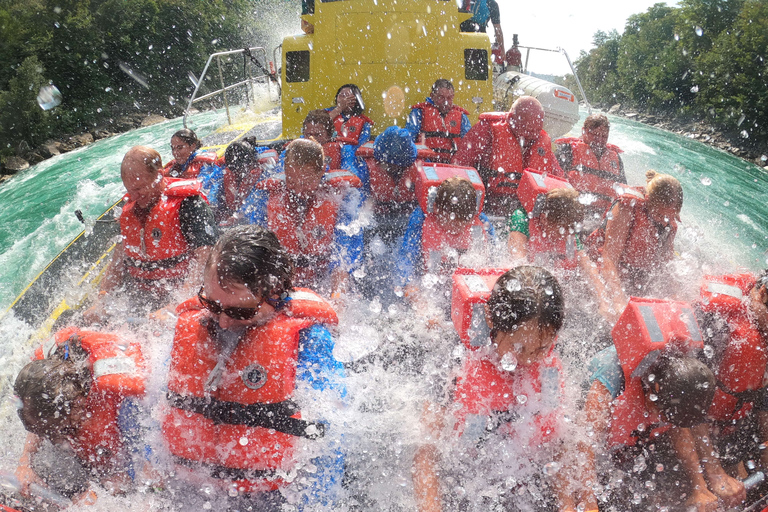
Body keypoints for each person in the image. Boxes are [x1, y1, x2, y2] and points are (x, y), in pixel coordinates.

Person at [162, 225, 346, 510]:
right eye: (212, 304)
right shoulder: (194, 327)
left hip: (274, 494)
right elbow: (155, 409)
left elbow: (330, 441)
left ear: (273, 293)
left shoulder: (307, 342)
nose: (222, 322)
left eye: (239, 311)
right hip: (192, 486)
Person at [413, 266, 585, 511]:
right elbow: (426, 453)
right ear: (492, 320)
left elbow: (556, 447)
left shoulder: (550, 367)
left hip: (524, 477)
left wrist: (567, 505)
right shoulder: (455, 362)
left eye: (540, 349)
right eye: (519, 347)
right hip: (464, 478)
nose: (529, 360)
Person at [581, 297, 745, 511]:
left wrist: (700, 486)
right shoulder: (612, 376)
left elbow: (680, 427)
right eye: (663, 416)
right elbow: (583, 445)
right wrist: (589, 503)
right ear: (654, 390)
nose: (661, 421)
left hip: (634, 443)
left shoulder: (683, 381)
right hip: (600, 436)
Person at [14, 327, 147, 502]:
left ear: (78, 405)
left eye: (63, 430)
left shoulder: (120, 392)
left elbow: (151, 465)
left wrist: (108, 490)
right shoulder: (43, 377)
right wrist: (25, 462)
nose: (56, 439)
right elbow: (43, 418)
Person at [86, 146, 218, 320]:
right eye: (130, 190)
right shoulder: (129, 209)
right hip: (141, 295)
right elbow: (117, 263)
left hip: (182, 293)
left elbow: (207, 259)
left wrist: (177, 306)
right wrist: (101, 301)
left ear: (159, 176)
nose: (134, 197)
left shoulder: (189, 205)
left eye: (140, 189)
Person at [249, 139, 364, 298]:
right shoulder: (267, 196)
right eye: (291, 181)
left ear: (322, 170)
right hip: (284, 276)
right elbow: (255, 249)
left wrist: (337, 298)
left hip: (325, 276)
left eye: (306, 183)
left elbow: (344, 256)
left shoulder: (343, 195)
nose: (298, 190)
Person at [507, 171, 613, 321]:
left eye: (571, 231)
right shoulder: (522, 220)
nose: (566, 237)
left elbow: (590, 271)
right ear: (544, 219)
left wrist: (604, 302)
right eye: (561, 230)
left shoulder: (569, 233)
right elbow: (517, 264)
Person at [696, 272, 768, 474]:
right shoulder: (720, 321)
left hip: (733, 423)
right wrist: (715, 474)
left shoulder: (763, 327)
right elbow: (688, 402)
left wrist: (765, 445)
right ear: (762, 294)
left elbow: (763, 395)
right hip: (692, 423)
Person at [586, 170, 683, 309]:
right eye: (661, 215)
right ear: (648, 200)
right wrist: (619, 299)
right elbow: (609, 259)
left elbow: (667, 270)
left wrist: (677, 300)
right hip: (602, 269)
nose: (665, 222)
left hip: (634, 277)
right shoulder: (627, 208)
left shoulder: (668, 225)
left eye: (670, 217)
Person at [452, 96, 562, 212]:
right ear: (511, 119)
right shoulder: (487, 130)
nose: (534, 136)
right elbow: (459, 166)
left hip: (527, 210)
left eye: (537, 130)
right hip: (488, 205)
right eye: (528, 130)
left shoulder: (539, 140)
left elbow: (559, 178)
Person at [396, 173, 494, 297]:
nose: (458, 229)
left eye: (464, 224)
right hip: (430, 279)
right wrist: (416, 298)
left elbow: (491, 262)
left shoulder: (480, 221)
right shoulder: (420, 220)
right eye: (452, 223)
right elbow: (406, 261)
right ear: (437, 209)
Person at [555, 114, 626, 220]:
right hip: (574, 211)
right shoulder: (568, 149)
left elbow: (624, 189)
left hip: (604, 215)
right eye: (595, 135)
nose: (599, 140)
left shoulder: (615, 158)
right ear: (584, 131)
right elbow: (554, 182)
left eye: (604, 136)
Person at [405, 79, 471, 163]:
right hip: (425, 164)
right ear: (432, 96)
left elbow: (469, 145)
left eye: (449, 98)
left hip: (453, 166)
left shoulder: (461, 117)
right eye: (441, 97)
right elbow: (408, 142)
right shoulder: (419, 113)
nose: (446, 102)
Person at [326, 84, 372, 150]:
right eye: (341, 95)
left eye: (347, 96)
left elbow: (361, 146)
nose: (344, 99)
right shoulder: (326, 113)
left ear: (356, 100)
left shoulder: (364, 123)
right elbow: (316, 127)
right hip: (328, 152)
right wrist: (339, 108)